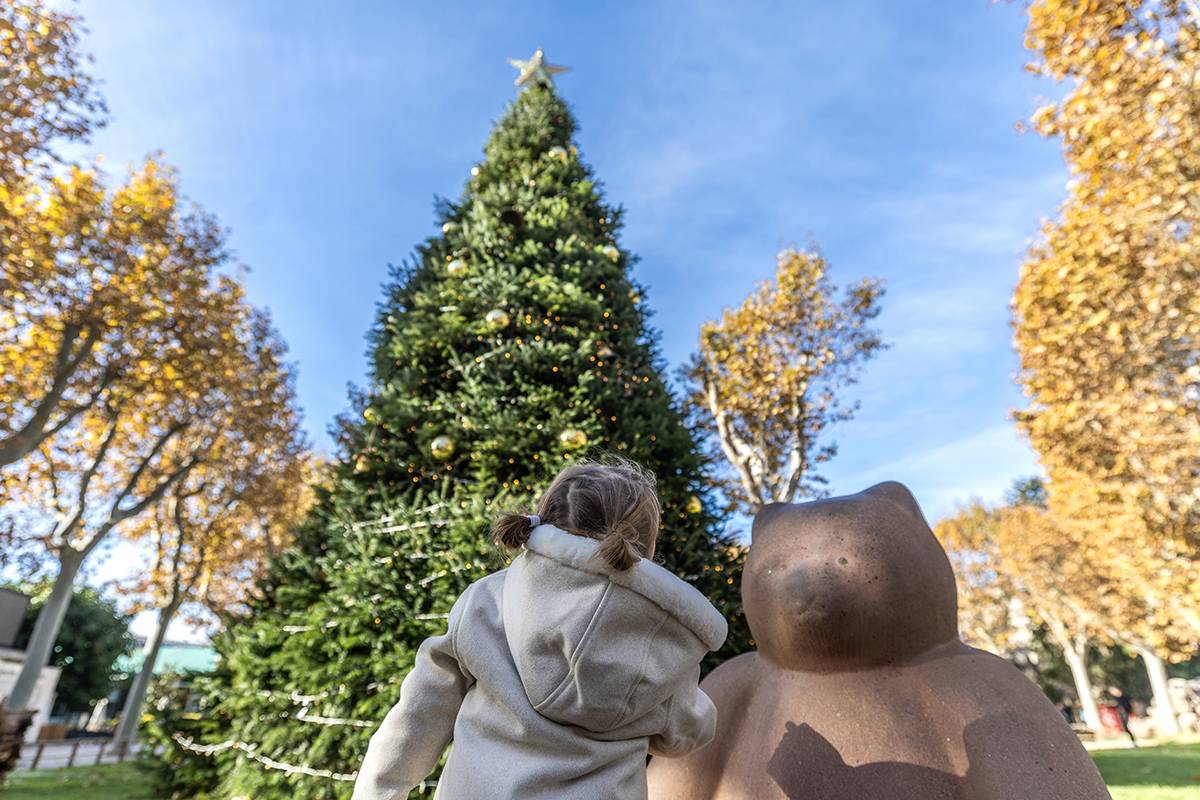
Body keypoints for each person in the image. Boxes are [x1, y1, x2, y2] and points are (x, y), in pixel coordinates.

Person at [352, 459, 728, 800]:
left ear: (545, 517)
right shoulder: (663, 644)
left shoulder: (487, 601)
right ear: (645, 545)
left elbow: (420, 714)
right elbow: (685, 734)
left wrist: (379, 791)